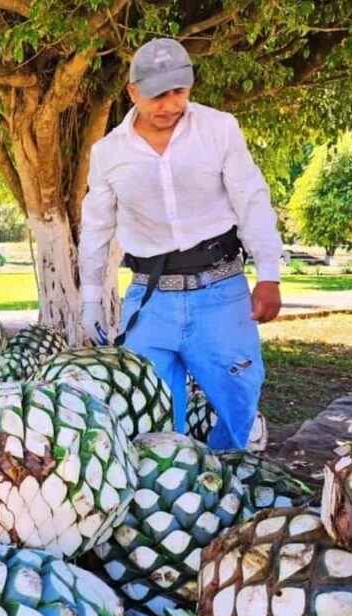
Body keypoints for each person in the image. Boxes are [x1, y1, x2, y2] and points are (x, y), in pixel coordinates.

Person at [78, 37, 283, 451]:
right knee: (148, 413)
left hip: (221, 293)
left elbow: (251, 199)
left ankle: (228, 473)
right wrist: (91, 300)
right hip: (150, 302)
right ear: (133, 92)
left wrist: (269, 274)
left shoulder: (219, 129)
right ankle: (168, 484)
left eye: (180, 91)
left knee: (239, 401)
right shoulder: (108, 153)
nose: (171, 104)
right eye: (159, 95)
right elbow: (96, 227)